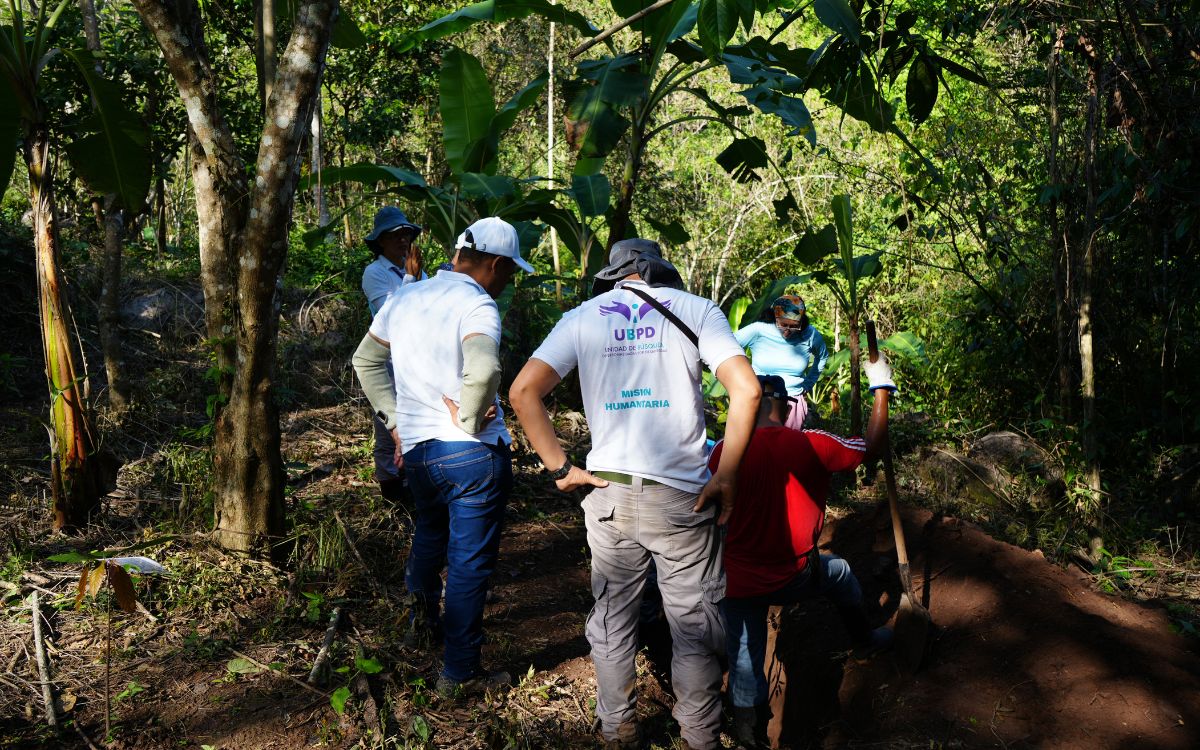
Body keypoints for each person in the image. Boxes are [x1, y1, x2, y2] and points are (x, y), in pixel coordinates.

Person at [509, 238, 761, 750]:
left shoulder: (582, 317)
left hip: (609, 494)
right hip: (682, 498)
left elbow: (522, 391)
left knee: (613, 615)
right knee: (694, 621)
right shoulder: (697, 310)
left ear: (616, 275)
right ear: (655, 270)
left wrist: (562, 467)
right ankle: (700, 738)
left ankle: (618, 729)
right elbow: (748, 390)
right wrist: (727, 474)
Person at [351, 216, 533, 696]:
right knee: (469, 562)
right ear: (492, 264)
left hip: (421, 454)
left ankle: (423, 622)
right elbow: (485, 365)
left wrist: (395, 421)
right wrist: (472, 419)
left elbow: (365, 360)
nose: (507, 281)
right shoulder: (477, 304)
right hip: (471, 455)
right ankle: (459, 674)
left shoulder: (406, 296)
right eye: (508, 272)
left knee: (430, 536)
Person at [710, 366, 896, 748]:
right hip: (794, 577)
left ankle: (748, 737)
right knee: (840, 571)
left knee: (745, 660)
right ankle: (863, 639)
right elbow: (873, 446)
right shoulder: (812, 443)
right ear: (785, 406)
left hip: (738, 582)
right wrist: (881, 388)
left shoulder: (721, 451)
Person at [360, 206, 426, 502]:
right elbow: (391, 315)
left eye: (407, 234)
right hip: (386, 361)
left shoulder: (415, 270)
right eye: (396, 235)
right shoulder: (375, 273)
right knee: (389, 429)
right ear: (381, 241)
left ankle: (414, 488)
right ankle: (392, 497)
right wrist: (411, 279)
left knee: (417, 424)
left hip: (417, 359)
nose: (403, 240)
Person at [734, 294, 829, 430]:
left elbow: (822, 356)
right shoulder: (758, 329)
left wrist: (808, 384)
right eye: (783, 325)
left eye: (794, 326)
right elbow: (729, 347)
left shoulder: (810, 334)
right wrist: (741, 380)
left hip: (793, 401)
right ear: (774, 317)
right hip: (760, 398)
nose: (787, 332)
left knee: (787, 448)